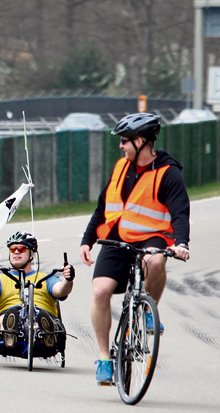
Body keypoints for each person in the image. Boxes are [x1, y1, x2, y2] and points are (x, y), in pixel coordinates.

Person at [79, 113, 190, 385]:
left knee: (155, 263)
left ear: (141, 142)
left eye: (125, 141)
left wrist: (181, 243)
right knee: (100, 290)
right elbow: (103, 206)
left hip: (151, 237)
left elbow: (180, 213)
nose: (121, 146)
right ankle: (105, 359)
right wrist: (87, 240)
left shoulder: (168, 172)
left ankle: (149, 311)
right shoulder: (120, 167)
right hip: (118, 238)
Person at [0, 231, 75, 359]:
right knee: (6, 317)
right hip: (9, 314)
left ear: (31, 255)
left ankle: (45, 334)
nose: (16, 252)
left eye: (21, 248)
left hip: (40, 313)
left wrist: (68, 279)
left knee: (38, 319)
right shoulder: (0, 280)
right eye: (13, 249)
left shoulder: (45, 278)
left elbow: (60, 291)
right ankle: (10, 333)